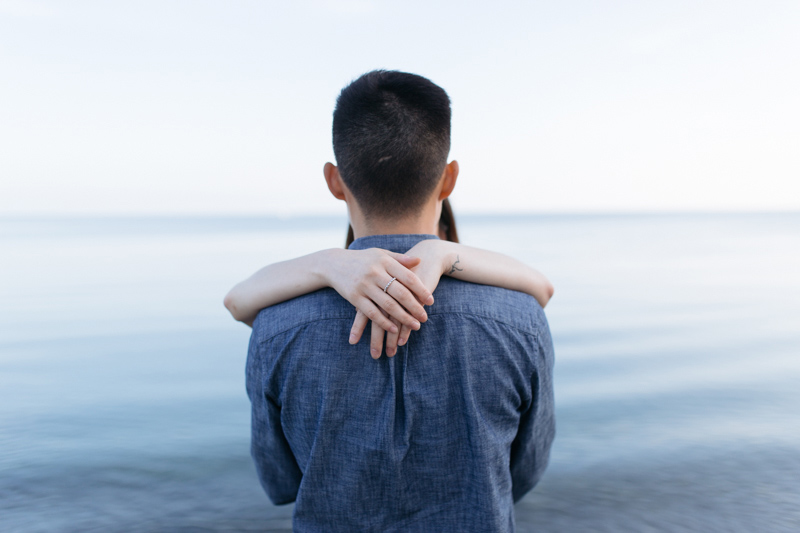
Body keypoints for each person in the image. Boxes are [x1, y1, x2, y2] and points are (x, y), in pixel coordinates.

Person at [237, 70, 555, 532]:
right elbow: (525, 470)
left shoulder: (276, 327)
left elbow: (279, 481)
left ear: (335, 181)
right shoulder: (521, 319)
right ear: (448, 180)